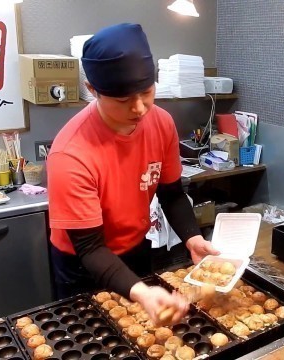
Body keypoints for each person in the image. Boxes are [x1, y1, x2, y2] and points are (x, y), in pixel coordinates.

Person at [47, 23, 219, 325]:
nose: (140, 108)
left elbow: (171, 193)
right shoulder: (71, 153)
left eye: (147, 92)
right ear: (93, 90)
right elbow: (89, 247)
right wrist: (141, 292)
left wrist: (192, 237)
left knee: (141, 333)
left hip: (136, 248)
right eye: (124, 100)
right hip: (83, 265)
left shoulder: (161, 122)